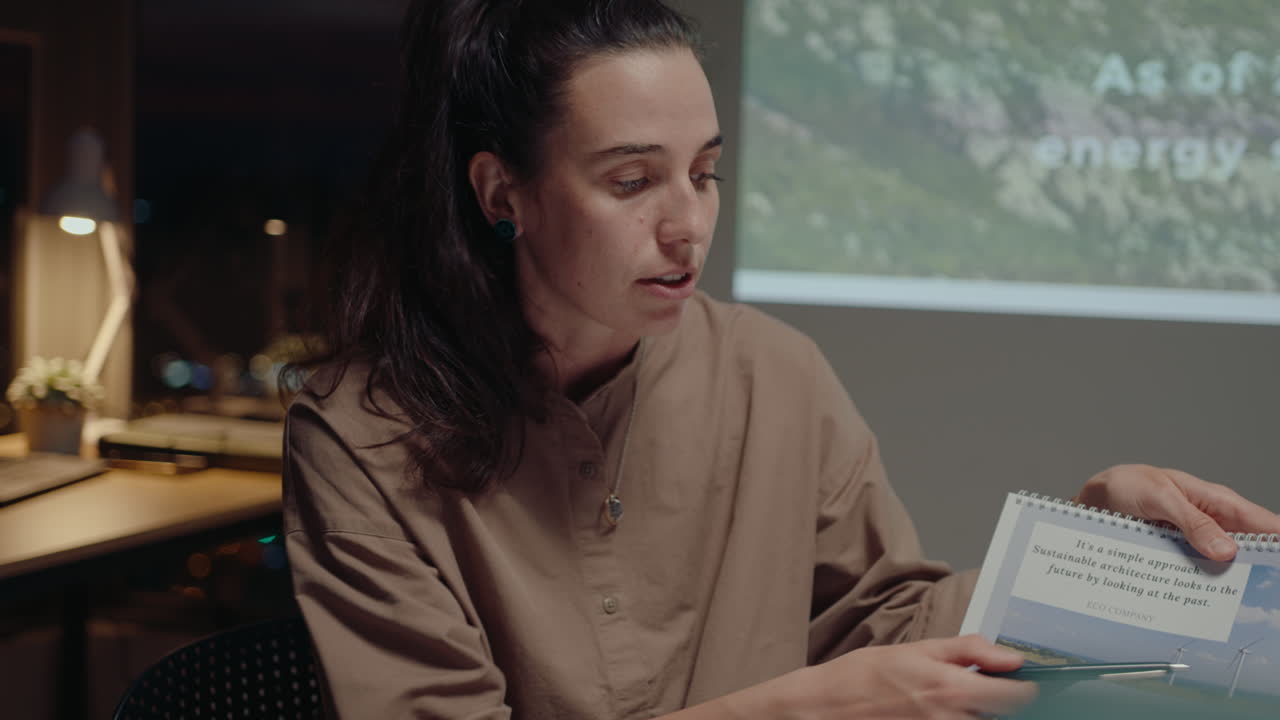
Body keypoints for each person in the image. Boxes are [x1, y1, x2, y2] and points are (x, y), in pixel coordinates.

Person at [282, 1, 1280, 718]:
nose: (687, 225)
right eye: (632, 182)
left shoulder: (771, 370)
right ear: (503, 194)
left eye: (705, 173)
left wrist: (1089, 555)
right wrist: (803, 708)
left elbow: (886, 625)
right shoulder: (360, 439)